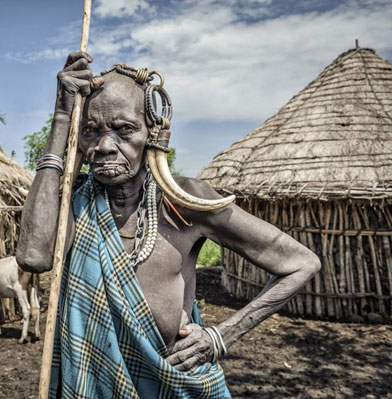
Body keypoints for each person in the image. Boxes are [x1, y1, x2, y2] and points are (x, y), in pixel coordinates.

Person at [16, 52, 321, 399]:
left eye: (124, 130)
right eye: (91, 131)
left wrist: (221, 337)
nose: (103, 146)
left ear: (153, 134)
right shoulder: (71, 202)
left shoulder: (187, 201)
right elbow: (33, 257)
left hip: (174, 383)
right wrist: (61, 118)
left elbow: (301, 263)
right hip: (94, 385)